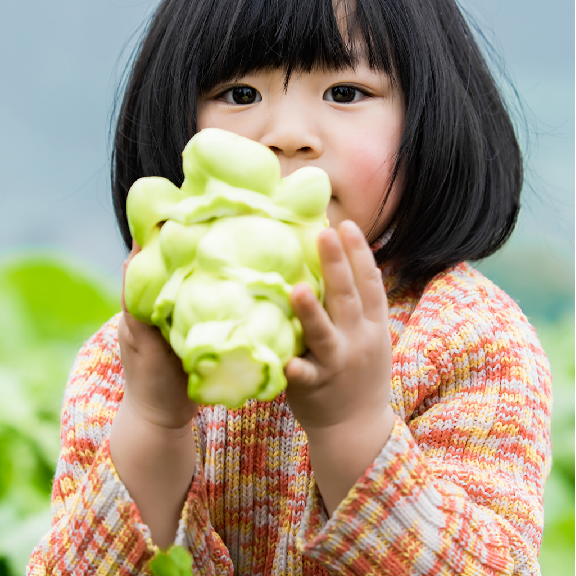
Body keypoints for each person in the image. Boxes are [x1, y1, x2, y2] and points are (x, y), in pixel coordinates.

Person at [28, 0, 552, 574]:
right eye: (240, 94)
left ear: (429, 119)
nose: (288, 136)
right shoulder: (122, 354)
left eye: (346, 93)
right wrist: (153, 423)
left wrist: (353, 431)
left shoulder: (470, 338)